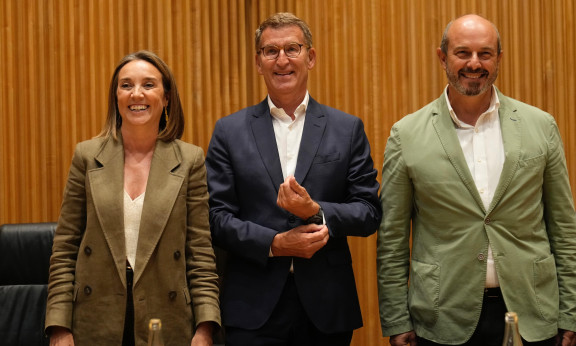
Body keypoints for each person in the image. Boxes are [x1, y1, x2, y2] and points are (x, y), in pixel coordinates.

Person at [377, 14, 576, 346]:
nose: (475, 63)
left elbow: (562, 227)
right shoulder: (407, 135)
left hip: (532, 311)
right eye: (463, 53)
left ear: (499, 59)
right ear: (442, 57)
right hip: (442, 315)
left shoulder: (541, 126)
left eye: (485, 53)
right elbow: (392, 240)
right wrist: (396, 320)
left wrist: (572, 313)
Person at [206, 12, 382, 346]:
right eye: (270, 51)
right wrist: (274, 244)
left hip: (327, 308)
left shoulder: (346, 129)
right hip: (252, 308)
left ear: (311, 57)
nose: (282, 60)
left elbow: (368, 211)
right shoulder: (229, 131)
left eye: (293, 48)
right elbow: (216, 218)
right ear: (258, 62)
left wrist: (316, 210)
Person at [45, 50, 221, 346]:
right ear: (116, 97)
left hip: (166, 317)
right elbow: (64, 249)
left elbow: (200, 253)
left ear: (166, 98)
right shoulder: (87, 157)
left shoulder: (190, 160)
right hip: (95, 317)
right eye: (126, 85)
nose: (136, 94)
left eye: (148, 84)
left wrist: (205, 328)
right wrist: (59, 327)